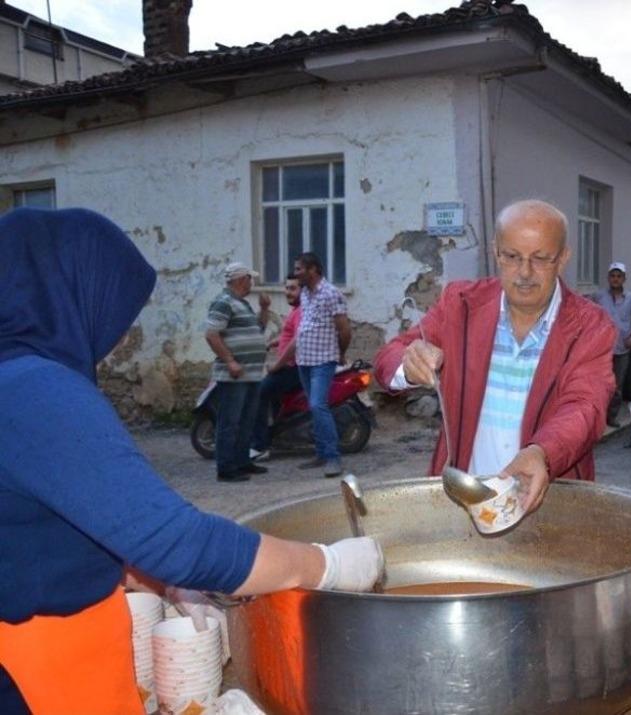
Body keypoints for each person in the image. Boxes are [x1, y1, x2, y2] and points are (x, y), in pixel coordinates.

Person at [0, 207, 384, 715]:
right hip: (41, 672)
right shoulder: (36, 389)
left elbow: (43, 528)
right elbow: (180, 539)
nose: (112, 340)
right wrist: (326, 564)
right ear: (71, 293)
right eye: (112, 313)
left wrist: (149, 575)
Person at [373, 199, 616, 514]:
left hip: (546, 504)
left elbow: (585, 406)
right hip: (463, 501)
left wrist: (542, 452)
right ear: (495, 252)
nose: (524, 273)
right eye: (512, 257)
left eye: (541, 258)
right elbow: (387, 357)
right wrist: (408, 363)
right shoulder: (460, 305)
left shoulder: (590, 326)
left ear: (563, 258)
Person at [204, 262, 271, 482]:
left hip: (251, 373)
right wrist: (230, 361)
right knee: (230, 421)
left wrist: (263, 309)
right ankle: (226, 468)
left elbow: (258, 330)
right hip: (235, 375)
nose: (252, 282)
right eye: (250, 278)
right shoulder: (223, 303)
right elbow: (212, 334)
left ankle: (242, 462)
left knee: (246, 420)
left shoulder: (242, 304)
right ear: (242, 279)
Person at [292, 252, 351, 478]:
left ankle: (333, 458)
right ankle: (321, 453)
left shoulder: (331, 294)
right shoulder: (305, 293)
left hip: (323, 360)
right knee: (312, 407)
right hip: (304, 359)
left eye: (299, 269)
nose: (296, 273)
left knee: (318, 405)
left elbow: (344, 329)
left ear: (313, 270)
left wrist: (340, 353)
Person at [250, 275, 303, 460]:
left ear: (303, 291)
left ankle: (260, 445)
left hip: (292, 368)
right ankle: (277, 435)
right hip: (289, 366)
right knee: (272, 398)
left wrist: (277, 365)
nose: (288, 292)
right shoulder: (296, 311)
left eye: (293, 288)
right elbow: (290, 335)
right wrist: (274, 342)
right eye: (287, 288)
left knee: (259, 393)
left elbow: (297, 342)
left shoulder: (301, 310)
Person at [592, 261, 631, 427]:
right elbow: (587, 314)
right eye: (613, 276)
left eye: (619, 276)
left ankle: (611, 416)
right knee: (599, 384)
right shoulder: (598, 297)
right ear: (608, 278)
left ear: (624, 278)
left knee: (617, 386)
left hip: (622, 350)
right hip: (602, 350)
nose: (615, 279)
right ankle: (597, 417)